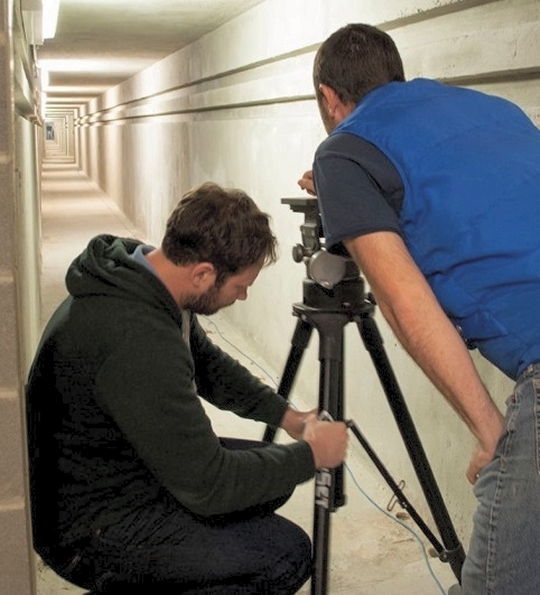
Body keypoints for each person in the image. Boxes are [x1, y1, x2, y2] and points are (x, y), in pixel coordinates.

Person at [298, 23, 540, 595]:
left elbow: (406, 305)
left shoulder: (344, 150)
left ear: (330, 99)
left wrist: (492, 436)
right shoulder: (495, 108)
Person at [26, 182, 349, 594]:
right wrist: (312, 456)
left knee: (273, 478)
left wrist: (286, 417)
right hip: (88, 530)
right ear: (202, 274)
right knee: (286, 554)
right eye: (239, 286)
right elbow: (210, 485)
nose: (245, 296)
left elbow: (209, 366)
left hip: (120, 469)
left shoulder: (147, 277)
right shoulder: (134, 339)